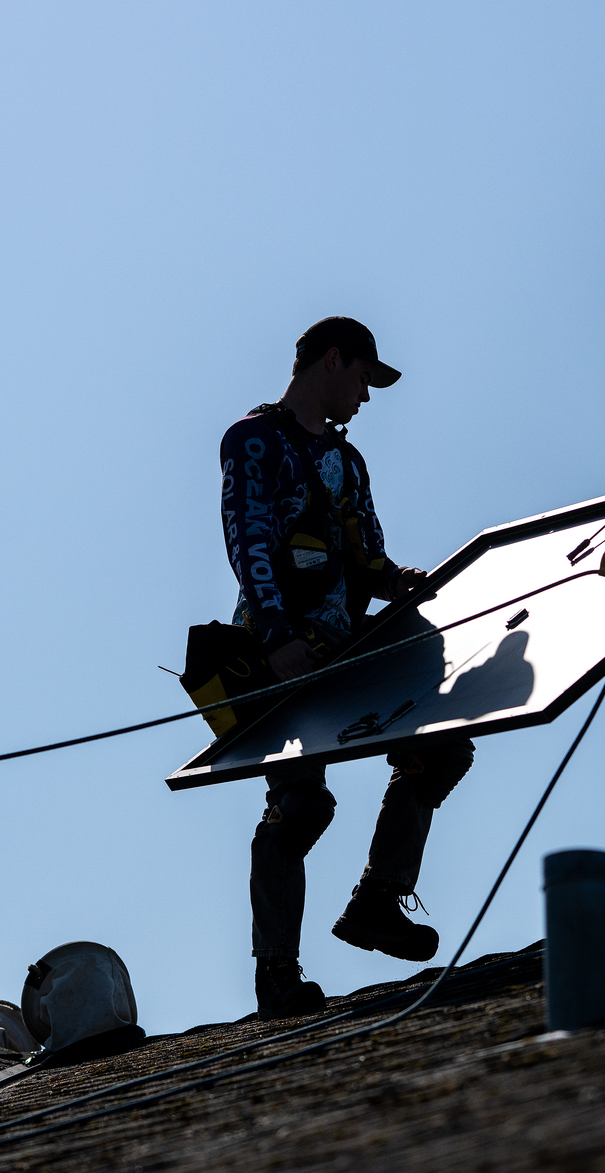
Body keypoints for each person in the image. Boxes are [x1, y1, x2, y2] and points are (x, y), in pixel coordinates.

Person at [220, 316, 476, 1019]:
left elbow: (367, 555)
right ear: (333, 361)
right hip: (280, 654)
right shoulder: (254, 440)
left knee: (443, 749)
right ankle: (278, 974)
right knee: (299, 806)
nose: (366, 396)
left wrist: (400, 584)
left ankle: (377, 901)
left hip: (347, 644)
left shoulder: (348, 461)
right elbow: (251, 541)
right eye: (364, 377)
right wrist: (275, 640)